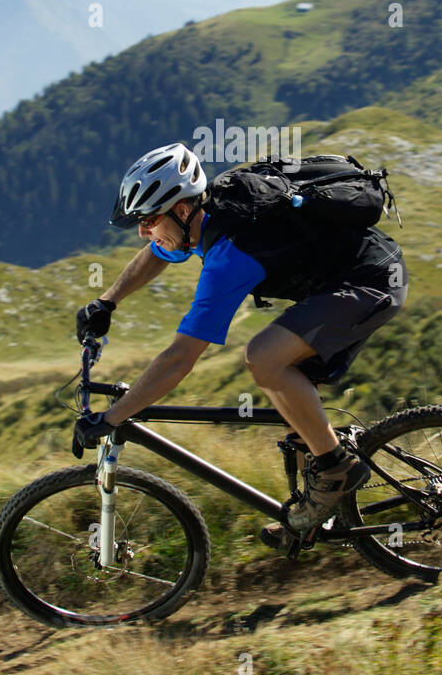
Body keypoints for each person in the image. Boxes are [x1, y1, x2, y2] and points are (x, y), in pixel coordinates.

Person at [74, 141, 407, 538]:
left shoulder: (231, 255)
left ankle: (336, 467)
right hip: (335, 283)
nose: (144, 232)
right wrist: (107, 301)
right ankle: (314, 514)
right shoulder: (205, 213)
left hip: (370, 280)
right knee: (290, 403)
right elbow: (159, 252)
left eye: (148, 220)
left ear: (181, 210)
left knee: (263, 358)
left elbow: (180, 358)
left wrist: (113, 416)